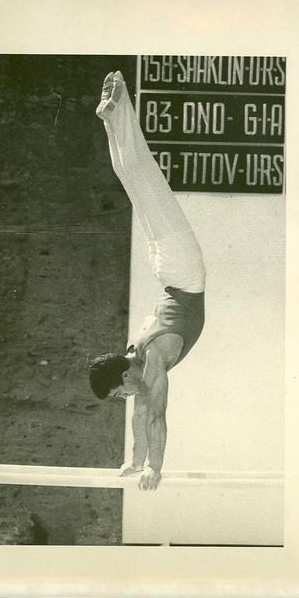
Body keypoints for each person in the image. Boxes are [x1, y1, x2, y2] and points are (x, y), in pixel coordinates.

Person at [88, 71, 206, 491]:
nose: (125, 399)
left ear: (125, 377)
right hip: (169, 269)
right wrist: (135, 461)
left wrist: (156, 467)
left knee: (144, 177)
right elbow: (141, 412)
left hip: (181, 269)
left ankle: (119, 103)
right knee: (135, 182)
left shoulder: (151, 358)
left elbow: (156, 414)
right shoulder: (134, 356)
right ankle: (111, 117)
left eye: (119, 394)